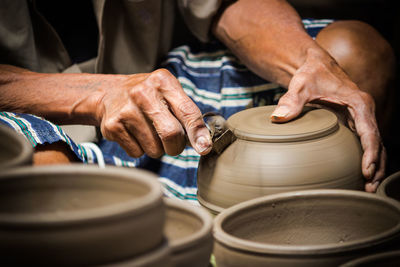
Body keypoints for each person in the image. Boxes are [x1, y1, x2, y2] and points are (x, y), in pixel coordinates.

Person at [0, 0, 394, 200]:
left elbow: (225, 4)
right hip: (30, 110)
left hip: (162, 82)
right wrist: (98, 93)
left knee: (355, 54)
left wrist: (307, 61)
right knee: (37, 180)